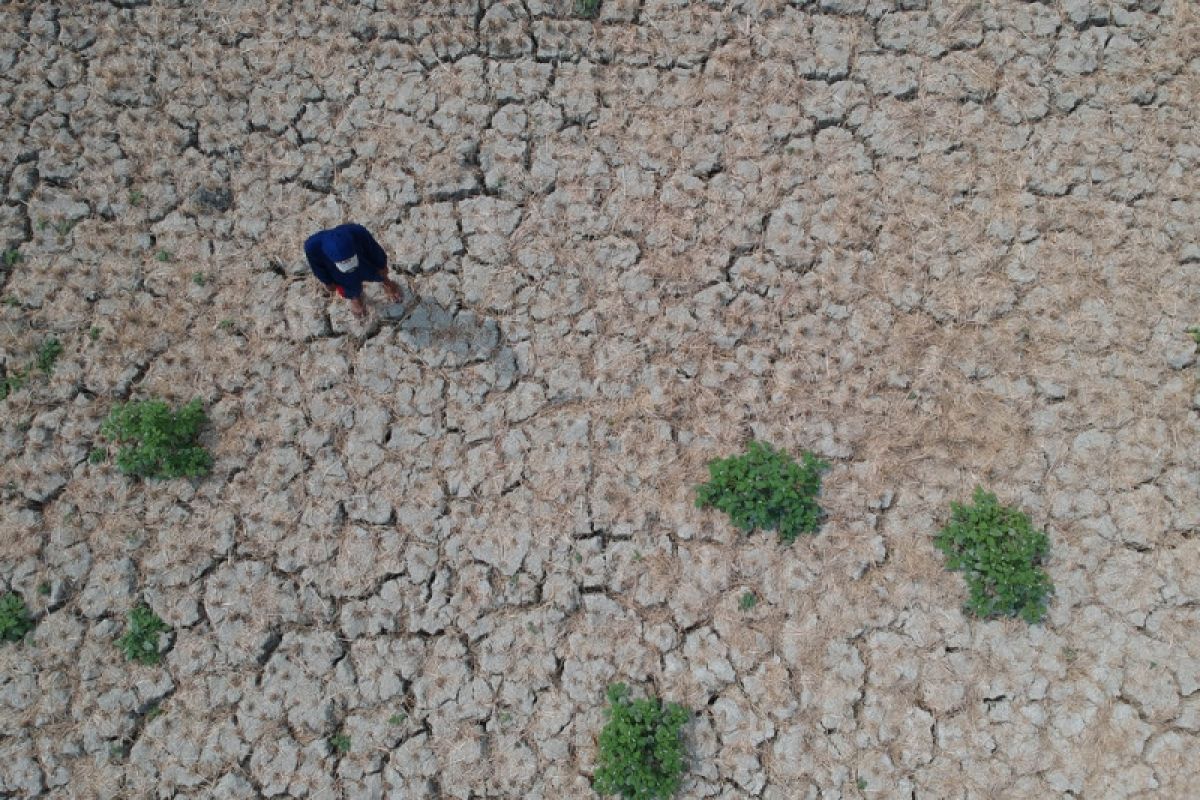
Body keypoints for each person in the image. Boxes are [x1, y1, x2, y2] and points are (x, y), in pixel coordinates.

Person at [304, 223, 403, 318]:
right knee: (350, 288)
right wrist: (327, 282)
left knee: (378, 274)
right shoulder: (312, 247)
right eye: (344, 263)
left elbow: (374, 250)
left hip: (363, 263)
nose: (350, 268)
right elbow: (317, 267)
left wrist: (382, 265)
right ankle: (355, 298)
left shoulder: (357, 231)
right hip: (339, 274)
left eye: (349, 261)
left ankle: (388, 284)